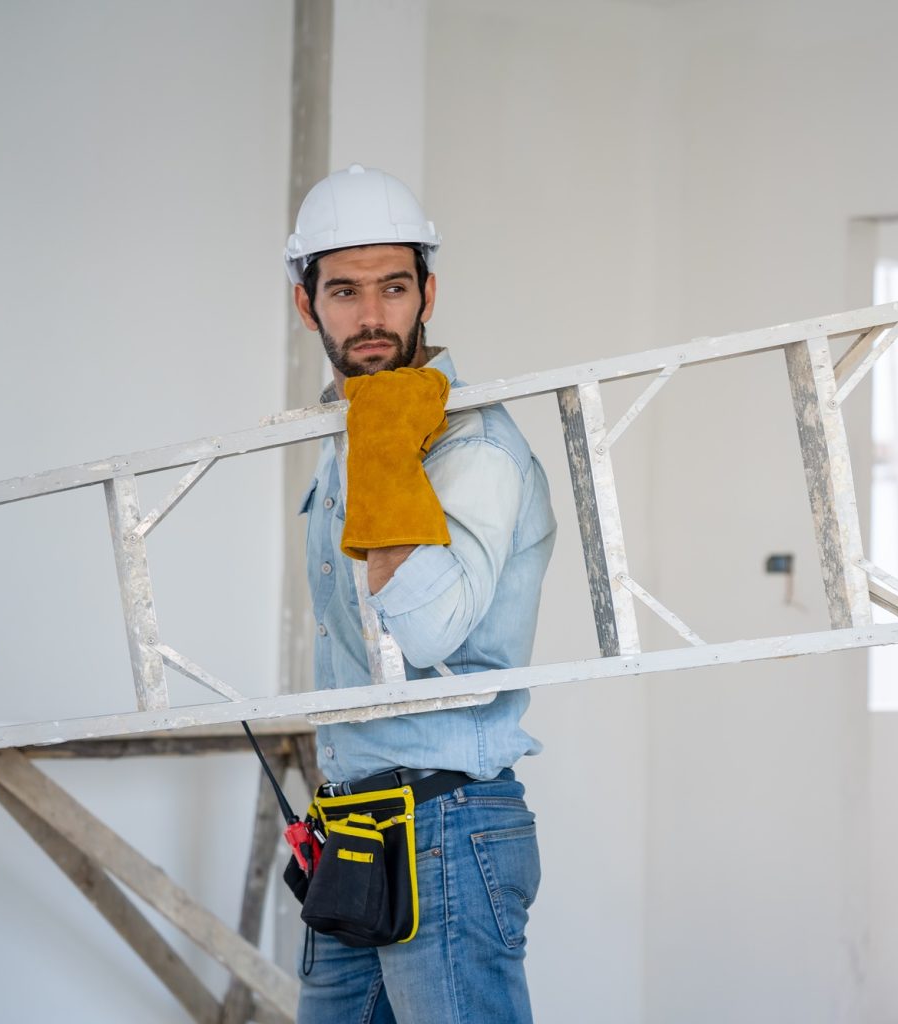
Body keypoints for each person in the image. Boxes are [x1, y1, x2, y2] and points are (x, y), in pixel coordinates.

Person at [286, 164, 557, 1023]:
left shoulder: (469, 444)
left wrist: (387, 453)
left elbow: (429, 627)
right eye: (345, 291)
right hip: (354, 827)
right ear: (308, 305)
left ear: (428, 293)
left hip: (446, 822)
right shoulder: (359, 437)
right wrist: (375, 441)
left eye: (393, 288)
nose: (371, 317)